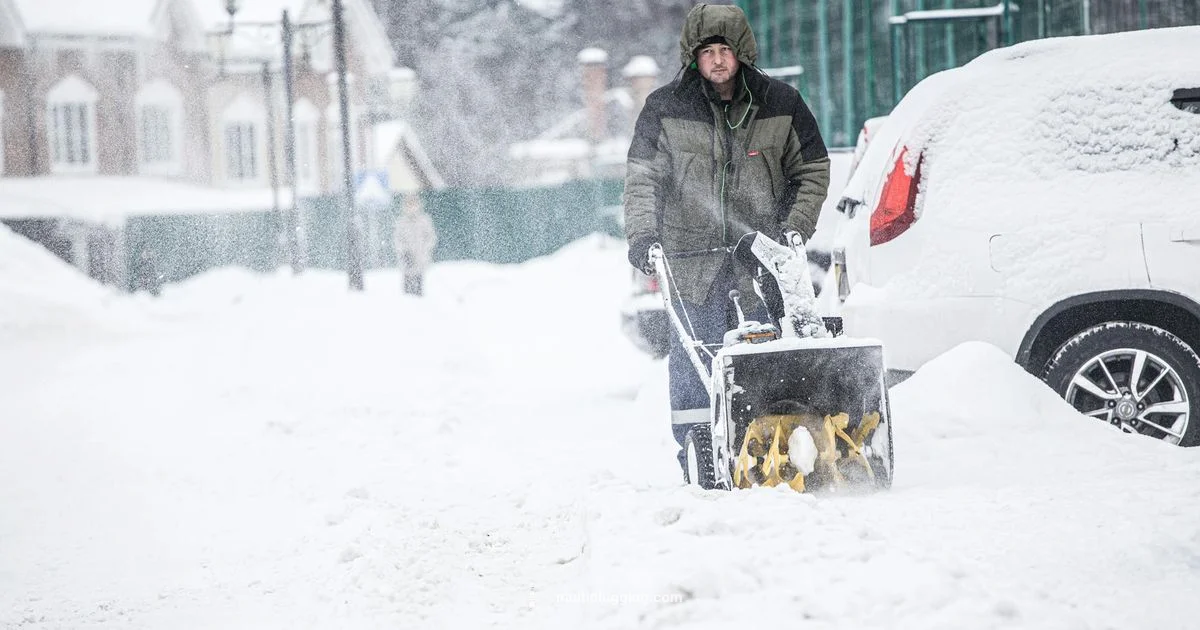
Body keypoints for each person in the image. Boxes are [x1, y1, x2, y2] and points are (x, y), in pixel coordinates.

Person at [623, 3, 831, 477]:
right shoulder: (665, 108)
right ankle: (701, 462)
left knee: (766, 360)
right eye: (707, 52)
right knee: (695, 364)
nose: (717, 60)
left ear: (742, 54)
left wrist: (792, 229)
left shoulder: (781, 103)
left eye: (726, 50)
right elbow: (641, 179)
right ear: (692, 58)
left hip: (758, 260)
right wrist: (643, 236)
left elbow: (812, 170)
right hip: (690, 264)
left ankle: (771, 454)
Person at [392, 194, 438, 296]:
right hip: (407, 259)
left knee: (418, 284)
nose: (411, 207)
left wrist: (425, 250)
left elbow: (431, 237)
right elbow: (397, 239)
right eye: (408, 204)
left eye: (413, 204)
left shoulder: (425, 220)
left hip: (420, 258)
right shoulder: (401, 222)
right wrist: (404, 251)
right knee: (407, 285)